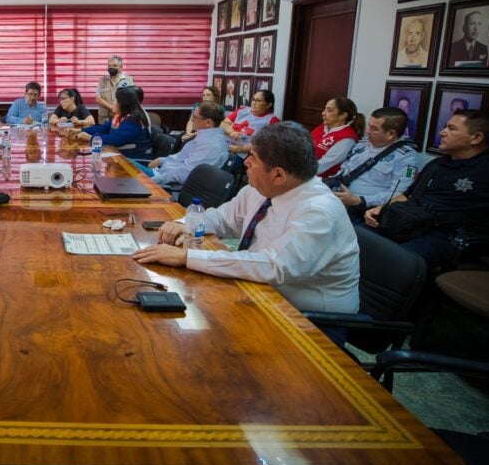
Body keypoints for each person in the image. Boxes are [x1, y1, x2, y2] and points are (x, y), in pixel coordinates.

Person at [133, 122, 360, 320]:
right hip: (258, 292)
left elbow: (274, 267)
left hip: (307, 319)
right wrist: (184, 223)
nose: (245, 163)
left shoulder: (320, 212)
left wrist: (186, 257)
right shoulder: (263, 189)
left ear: (279, 174)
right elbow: (223, 218)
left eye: (253, 157)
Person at [364, 110, 489, 269]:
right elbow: (408, 195)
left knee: (389, 261)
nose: (442, 132)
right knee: (357, 239)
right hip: (409, 221)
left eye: (451, 128)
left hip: (446, 235)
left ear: (476, 138)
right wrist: (381, 209)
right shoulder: (436, 164)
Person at [326, 107, 420, 219]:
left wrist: (359, 200)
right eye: (369, 125)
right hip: (337, 198)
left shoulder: (406, 159)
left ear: (390, 134)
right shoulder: (362, 145)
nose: (367, 131)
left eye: (374, 128)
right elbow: (345, 168)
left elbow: (399, 194)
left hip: (364, 209)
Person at [145, 102, 229, 187]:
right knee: (131, 165)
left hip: (166, 181)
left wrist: (151, 181)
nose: (192, 120)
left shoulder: (211, 145)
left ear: (207, 122)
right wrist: (161, 160)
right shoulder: (205, 137)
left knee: (132, 170)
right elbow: (180, 158)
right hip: (163, 173)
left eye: (195, 117)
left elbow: (184, 175)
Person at [77, 87, 152, 158]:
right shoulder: (120, 116)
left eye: (116, 100)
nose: (113, 102)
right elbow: (103, 128)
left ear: (124, 104)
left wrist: (91, 138)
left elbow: (114, 139)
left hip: (134, 161)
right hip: (122, 155)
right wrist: (80, 130)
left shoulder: (133, 120)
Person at [311, 97, 364, 177]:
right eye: (325, 109)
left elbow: (322, 166)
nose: (323, 113)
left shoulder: (347, 139)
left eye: (329, 110)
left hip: (320, 180)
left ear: (343, 115)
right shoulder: (322, 127)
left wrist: (294, 172)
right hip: (304, 170)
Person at [222, 89, 280, 154]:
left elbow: (268, 145)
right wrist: (231, 132)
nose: (254, 103)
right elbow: (223, 123)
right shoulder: (242, 110)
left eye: (259, 101)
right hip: (225, 144)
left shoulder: (273, 120)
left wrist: (241, 149)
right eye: (253, 99)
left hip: (244, 153)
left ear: (269, 105)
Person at [96, 55, 133, 124]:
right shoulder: (102, 80)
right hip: (105, 118)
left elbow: (131, 99)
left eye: (114, 65)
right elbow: (98, 98)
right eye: (109, 66)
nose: (111, 68)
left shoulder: (129, 80)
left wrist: (118, 109)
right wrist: (112, 107)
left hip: (121, 117)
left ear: (121, 67)